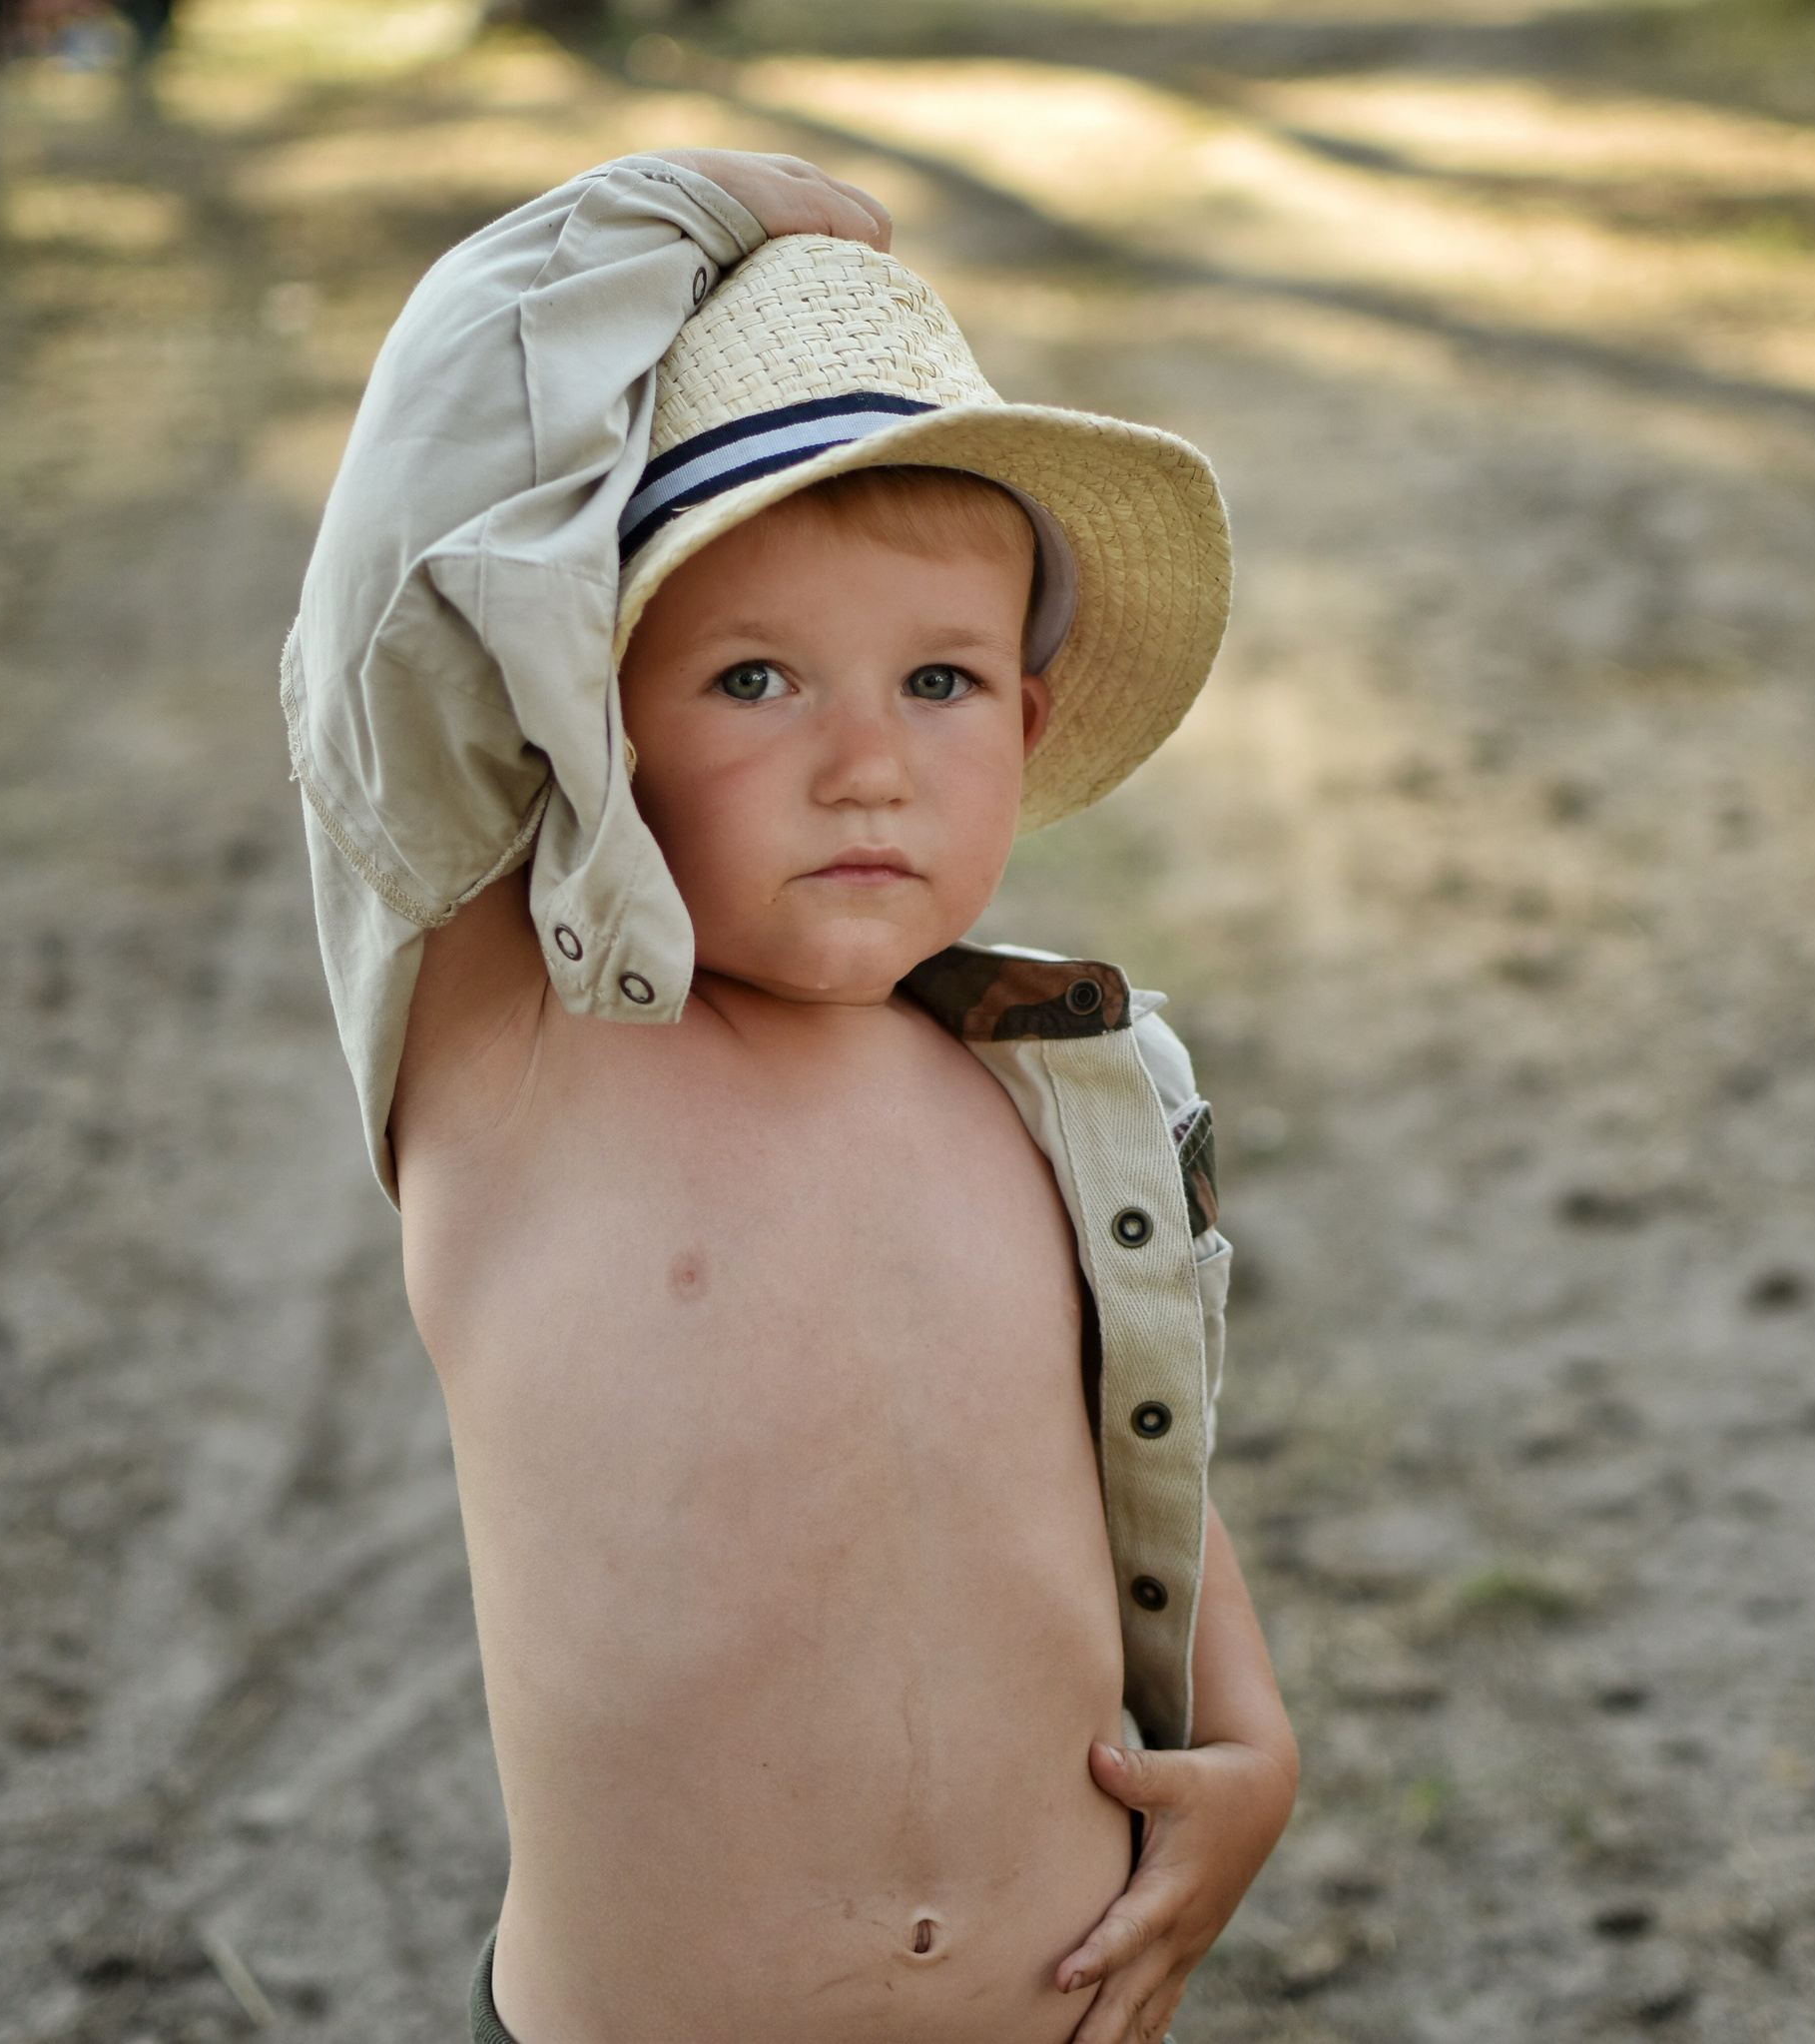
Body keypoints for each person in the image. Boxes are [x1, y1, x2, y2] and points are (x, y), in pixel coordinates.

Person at [282, 148, 1297, 2044]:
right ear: (589, 731)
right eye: (753, 678)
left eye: (938, 680)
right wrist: (682, 209)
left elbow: (1132, 1446)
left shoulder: (1050, 1083)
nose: (865, 768)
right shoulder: (524, 1058)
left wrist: (1245, 1742)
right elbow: (391, 590)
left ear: (1032, 720)